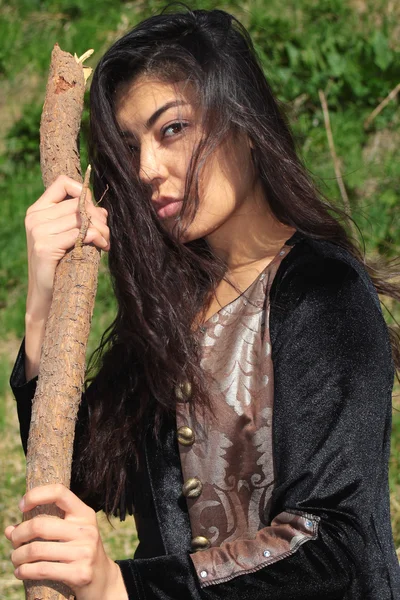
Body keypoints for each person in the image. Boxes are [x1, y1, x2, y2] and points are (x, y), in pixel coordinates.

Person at [4, 4, 400, 599]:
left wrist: (126, 588)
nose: (146, 169)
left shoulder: (321, 292)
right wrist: (41, 310)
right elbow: (88, 474)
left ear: (241, 118)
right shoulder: (173, 306)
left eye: (172, 130)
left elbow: (335, 542)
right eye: (132, 147)